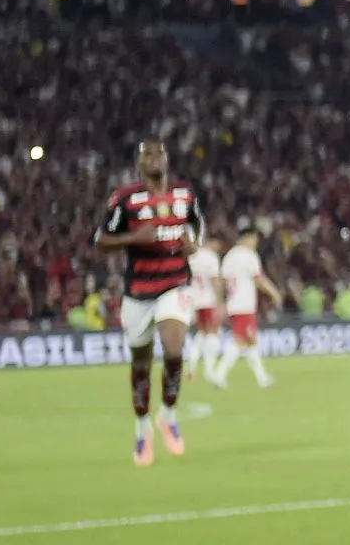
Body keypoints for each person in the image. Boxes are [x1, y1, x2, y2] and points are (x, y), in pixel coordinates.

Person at [95, 139, 205, 465]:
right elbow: (100, 239)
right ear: (139, 163)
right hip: (139, 292)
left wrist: (193, 244)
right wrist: (133, 238)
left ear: (167, 159)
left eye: (159, 153)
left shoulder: (185, 194)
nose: (154, 159)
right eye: (148, 154)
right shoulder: (124, 199)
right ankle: (143, 425)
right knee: (140, 364)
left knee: (173, 349)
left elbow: (197, 226)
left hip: (175, 284)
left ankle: (168, 415)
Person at [213, 228, 281, 389]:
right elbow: (258, 279)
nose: (255, 244)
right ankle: (219, 373)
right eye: (254, 240)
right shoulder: (249, 256)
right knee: (241, 340)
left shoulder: (229, 257)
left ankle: (262, 378)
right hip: (244, 304)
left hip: (234, 304)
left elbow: (222, 282)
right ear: (247, 239)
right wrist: (274, 293)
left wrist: (221, 302)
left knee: (251, 341)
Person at [186, 237, 224, 380]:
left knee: (202, 333)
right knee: (213, 333)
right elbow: (215, 280)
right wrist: (220, 302)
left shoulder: (191, 257)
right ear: (213, 242)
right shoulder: (210, 257)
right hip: (208, 300)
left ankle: (192, 364)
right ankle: (210, 369)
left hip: (194, 300)